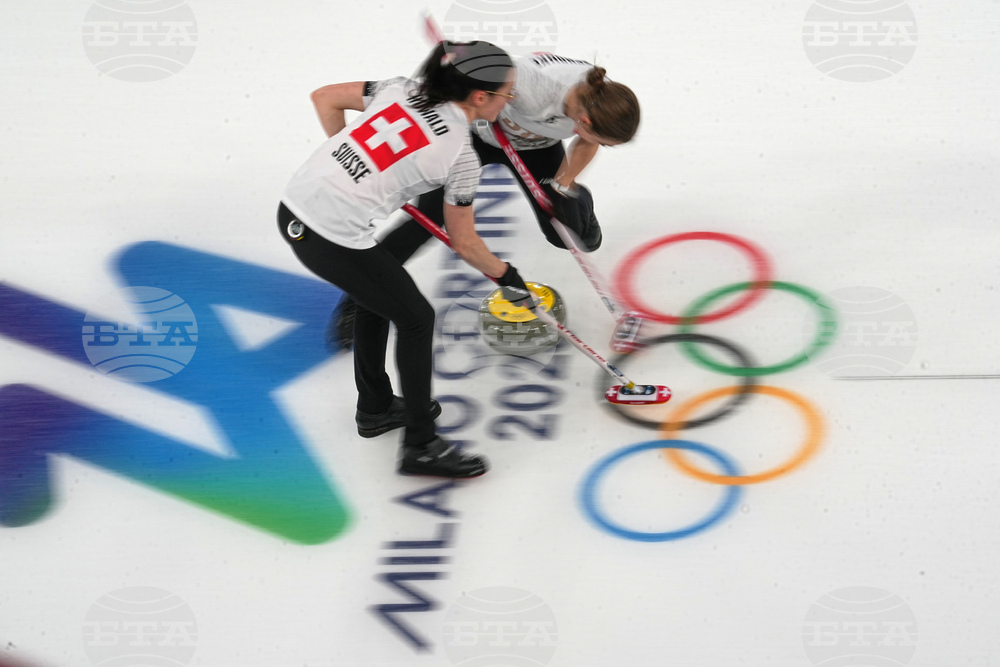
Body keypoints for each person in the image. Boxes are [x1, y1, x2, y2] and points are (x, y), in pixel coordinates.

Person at [279, 41, 528, 479]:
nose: (511, 100)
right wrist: (507, 275)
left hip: (294, 206)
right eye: (508, 92)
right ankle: (421, 445)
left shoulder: (399, 88)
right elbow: (465, 242)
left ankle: (375, 408)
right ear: (479, 97)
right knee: (416, 319)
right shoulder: (461, 156)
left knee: (379, 299)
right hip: (330, 235)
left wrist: (347, 167)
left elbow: (325, 97)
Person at [330, 51, 641, 350]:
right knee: (427, 221)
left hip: (536, 148)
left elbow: (588, 142)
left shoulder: (601, 99)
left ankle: (578, 202)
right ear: (584, 120)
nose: (600, 144)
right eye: (605, 142)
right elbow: (470, 74)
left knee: (566, 232)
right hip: (475, 136)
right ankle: (359, 299)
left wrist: (563, 184)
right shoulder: (530, 84)